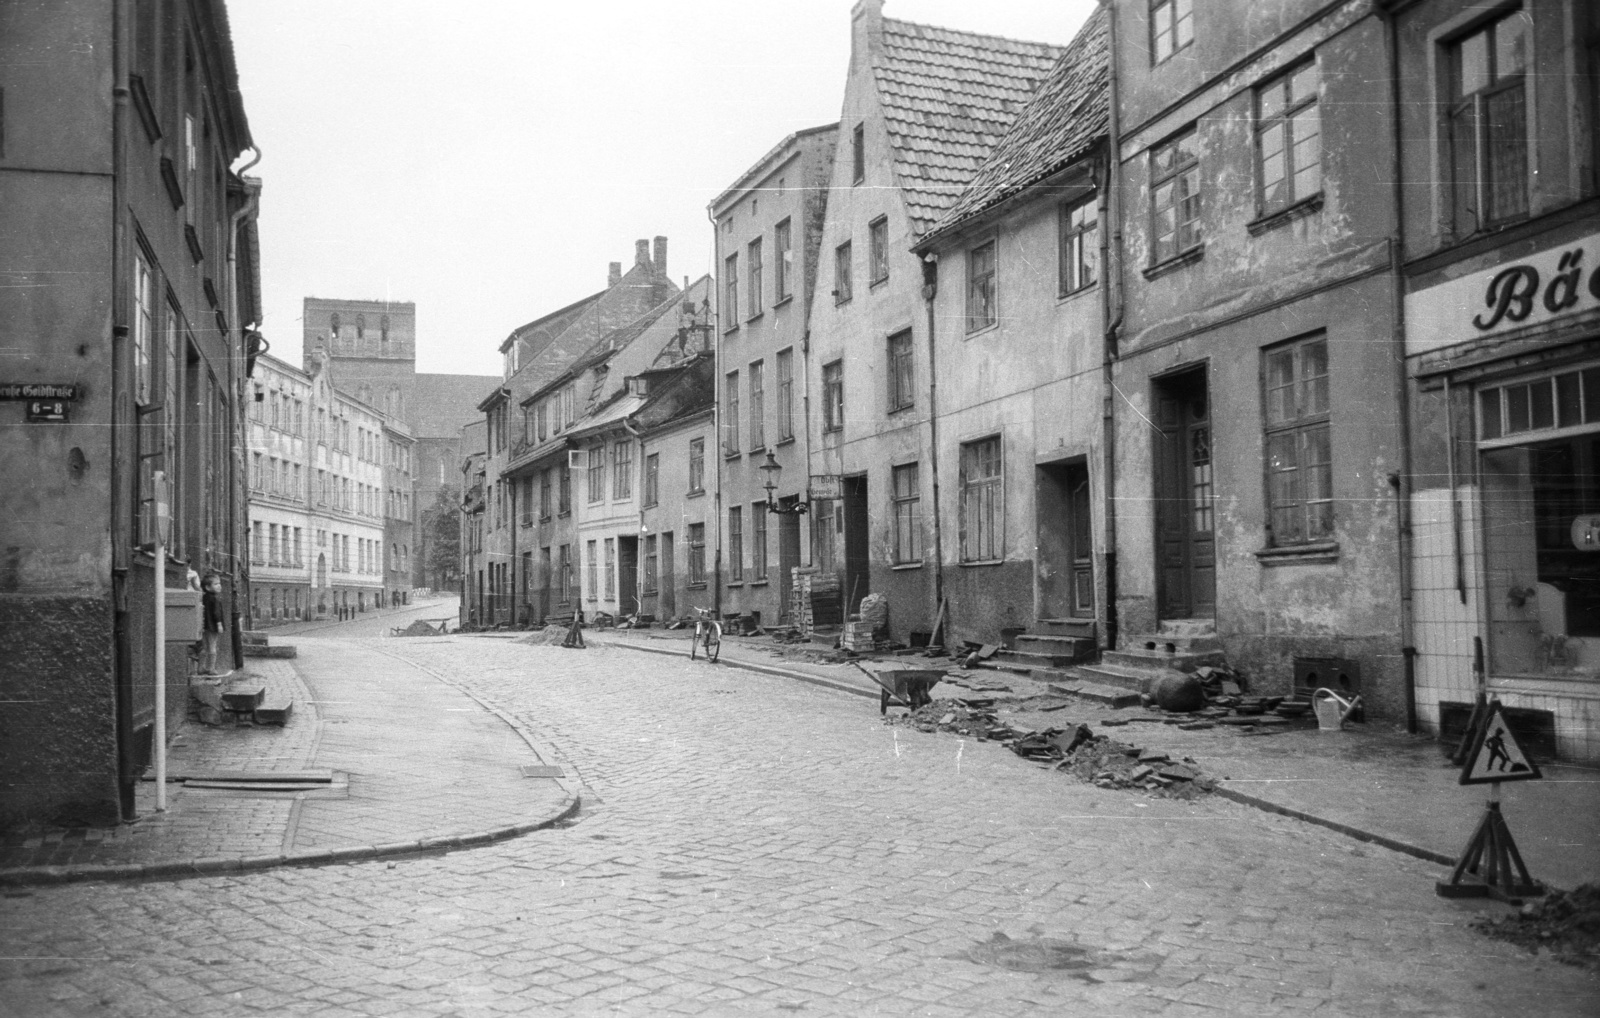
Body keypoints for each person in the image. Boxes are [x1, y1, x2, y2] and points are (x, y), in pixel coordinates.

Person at [200, 573, 227, 677]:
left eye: (219, 583)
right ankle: (211, 668)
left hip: (205, 626)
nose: (219, 585)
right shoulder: (215, 598)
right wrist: (219, 624)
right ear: (207, 587)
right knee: (212, 646)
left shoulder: (204, 597)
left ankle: (201, 667)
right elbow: (216, 613)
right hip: (213, 626)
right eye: (216, 584)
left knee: (204, 646)